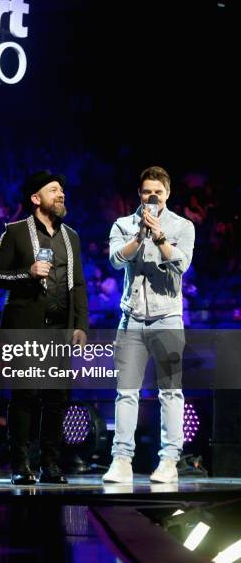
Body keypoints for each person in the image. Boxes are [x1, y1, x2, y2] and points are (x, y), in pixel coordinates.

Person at [0, 170, 88, 485]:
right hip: (25, 328)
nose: (61, 194)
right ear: (36, 198)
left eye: (62, 190)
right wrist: (28, 273)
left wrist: (80, 325)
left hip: (60, 328)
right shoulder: (15, 232)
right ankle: (20, 464)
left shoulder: (71, 236)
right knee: (25, 397)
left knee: (56, 399)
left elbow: (79, 284)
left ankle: (51, 465)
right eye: (53, 190)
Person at [102, 166, 195, 484]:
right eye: (146, 191)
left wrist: (159, 237)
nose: (152, 196)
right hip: (131, 319)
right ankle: (121, 460)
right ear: (139, 194)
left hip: (167, 318)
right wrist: (140, 236)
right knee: (126, 392)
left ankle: (169, 460)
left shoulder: (183, 226)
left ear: (167, 193)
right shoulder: (123, 224)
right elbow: (116, 259)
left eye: (157, 191)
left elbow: (182, 264)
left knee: (171, 391)